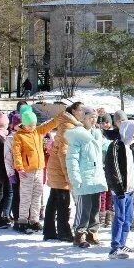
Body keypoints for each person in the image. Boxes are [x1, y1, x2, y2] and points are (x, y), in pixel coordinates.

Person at [65, 107, 108, 248]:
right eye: (90, 117)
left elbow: (106, 146)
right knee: (84, 207)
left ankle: (92, 231)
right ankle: (79, 233)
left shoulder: (96, 134)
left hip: (96, 176)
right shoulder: (78, 135)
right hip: (84, 178)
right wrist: (75, 177)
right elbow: (72, 158)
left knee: (95, 207)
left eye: (95, 117)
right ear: (83, 118)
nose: (94, 120)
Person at [12, 107, 58, 234]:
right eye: (29, 125)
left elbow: (49, 125)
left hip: (39, 168)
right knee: (26, 196)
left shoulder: (38, 131)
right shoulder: (19, 136)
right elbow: (16, 153)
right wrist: (19, 167)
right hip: (26, 170)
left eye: (34, 124)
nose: (32, 127)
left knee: (37, 195)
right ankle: (22, 220)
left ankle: (34, 220)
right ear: (24, 124)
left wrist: (60, 117)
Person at [44, 102, 83, 242]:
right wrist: (69, 175)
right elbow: (64, 153)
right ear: (73, 111)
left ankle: (48, 231)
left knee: (53, 200)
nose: (82, 113)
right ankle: (64, 232)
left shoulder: (68, 123)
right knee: (63, 202)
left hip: (56, 167)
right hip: (60, 169)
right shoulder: (68, 126)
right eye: (80, 110)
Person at [104, 120, 134, 258]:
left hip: (131, 188)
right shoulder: (116, 146)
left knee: (128, 217)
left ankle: (122, 243)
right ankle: (115, 246)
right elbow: (112, 169)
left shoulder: (132, 146)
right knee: (119, 217)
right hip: (120, 189)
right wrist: (118, 188)